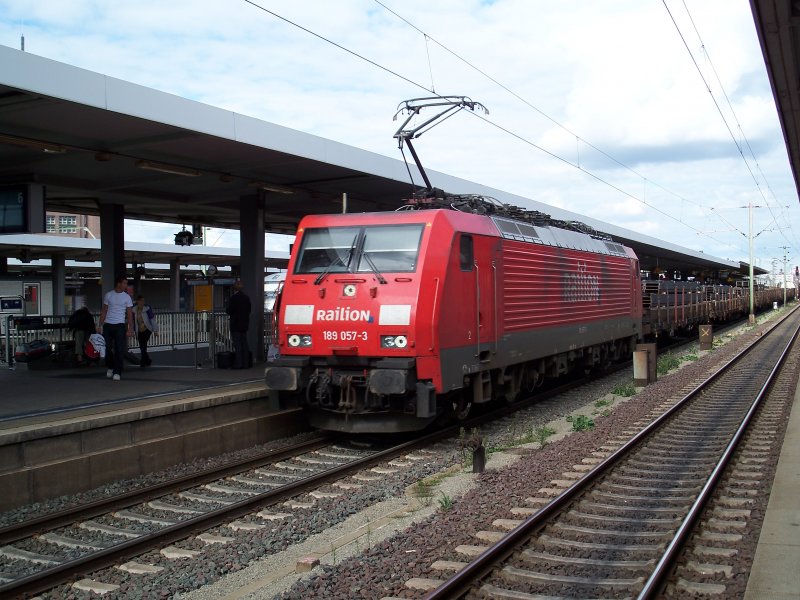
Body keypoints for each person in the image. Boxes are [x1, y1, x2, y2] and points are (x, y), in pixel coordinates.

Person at [97, 275, 134, 381]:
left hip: (120, 325)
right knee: (107, 348)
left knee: (119, 349)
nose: (126, 285)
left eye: (126, 283)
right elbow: (104, 311)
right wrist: (100, 325)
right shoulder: (109, 295)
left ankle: (117, 371)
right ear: (118, 283)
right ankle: (111, 366)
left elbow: (129, 314)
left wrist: (130, 329)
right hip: (108, 324)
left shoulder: (127, 297)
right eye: (124, 283)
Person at [226, 280, 251, 369]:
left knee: (237, 344)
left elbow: (229, 310)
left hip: (235, 324)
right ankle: (246, 363)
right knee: (244, 344)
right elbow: (249, 310)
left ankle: (239, 363)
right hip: (244, 324)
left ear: (234, 288)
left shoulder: (233, 298)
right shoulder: (246, 298)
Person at [134, 295, 159, 368]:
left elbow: (152, 319)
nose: (142, 302)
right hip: (139, 330)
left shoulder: (147, 309)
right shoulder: (134, 310)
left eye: (143, 301)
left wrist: (155, 330)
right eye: (141, 300)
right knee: (142, 346)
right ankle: (147, 360)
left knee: (143, 344)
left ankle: (143, 362)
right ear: (137, 301)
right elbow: (133, 321)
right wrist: (132, 331)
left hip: (147, 329)